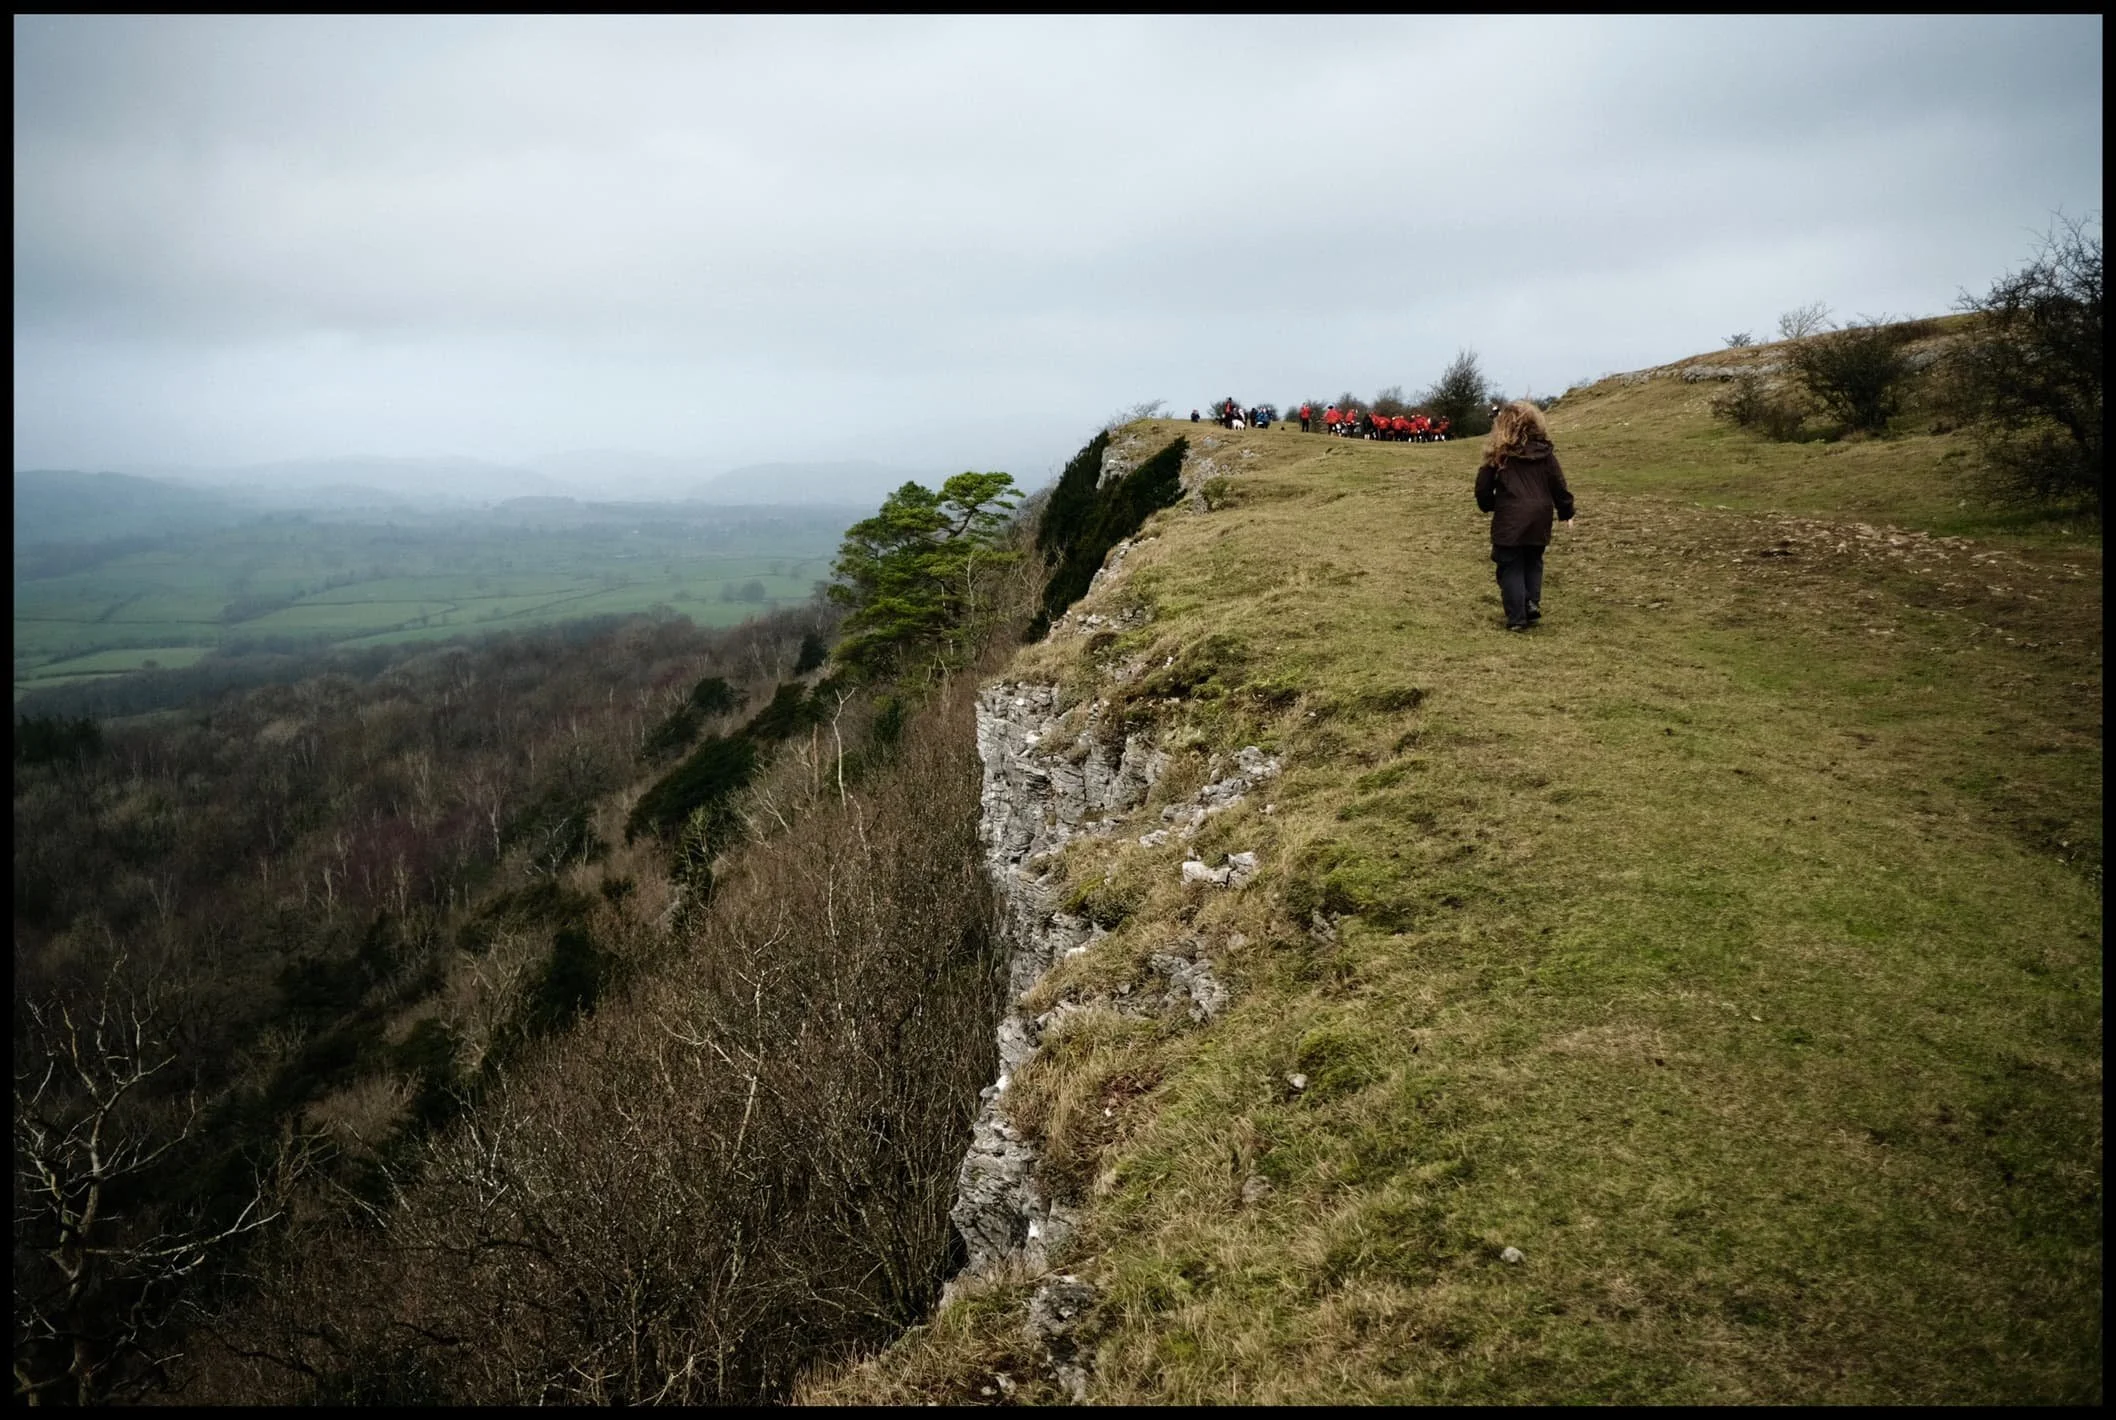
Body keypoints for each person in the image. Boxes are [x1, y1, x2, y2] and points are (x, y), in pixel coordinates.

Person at [1474, 399, 1575, 631]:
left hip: (1511, 516)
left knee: (1509, 565)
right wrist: (1566, 510)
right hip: (1540, 516)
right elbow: (1558, 483)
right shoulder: (1545, 453)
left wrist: (1488, 504)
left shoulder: (1498, 454)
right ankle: (1530, 602)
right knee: (1533, 560)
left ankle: (1517, 616)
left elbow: (1483, 485)